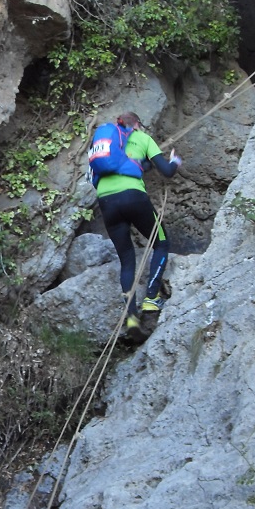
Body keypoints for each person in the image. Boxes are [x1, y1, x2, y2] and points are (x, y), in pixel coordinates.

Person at [93, 111, 182, 340]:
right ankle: (151, 298)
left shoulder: (106, 143)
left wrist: (144, 166)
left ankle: (131, 317)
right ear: (138, 125)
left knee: (126, 259)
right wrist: (175, 161)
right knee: (161, 243)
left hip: (106, 201)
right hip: (133, 196)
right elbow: (167, 171)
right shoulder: (144, 139)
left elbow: (132, 165)